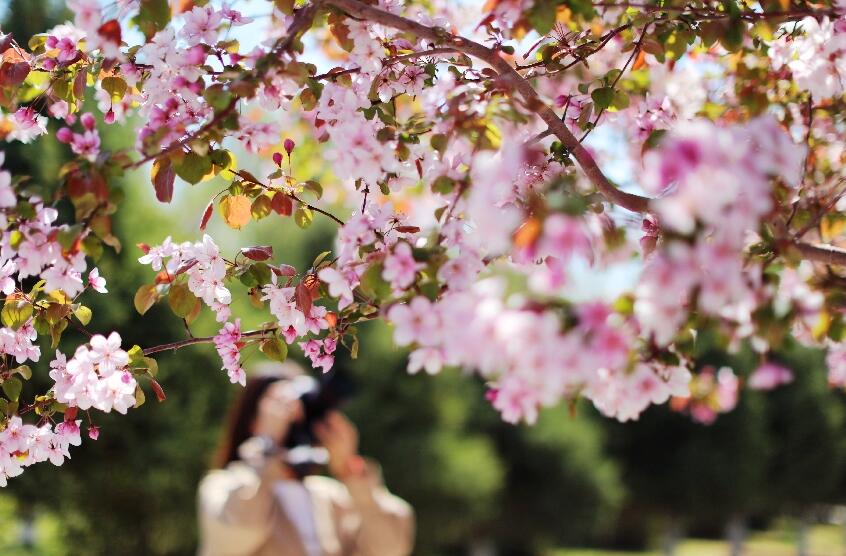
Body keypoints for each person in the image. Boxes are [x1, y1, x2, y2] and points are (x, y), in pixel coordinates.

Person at [197, 364, 414, 556]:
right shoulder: (224, 486)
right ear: (252, 420)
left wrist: (348, 469)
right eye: (279, 404)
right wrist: (267, 447)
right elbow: (238, 531)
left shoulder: (333, 497)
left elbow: (390, 548)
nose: (295, 414)